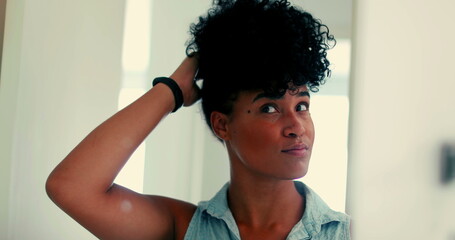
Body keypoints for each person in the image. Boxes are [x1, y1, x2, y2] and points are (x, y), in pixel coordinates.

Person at [46, 0, 351, 239]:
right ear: (222, 125)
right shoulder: (181, 229)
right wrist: (173, 89)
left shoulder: (348, 234)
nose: (297, 127)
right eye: (269, 108)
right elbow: (71, 187)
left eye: (301, 105)